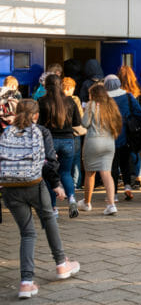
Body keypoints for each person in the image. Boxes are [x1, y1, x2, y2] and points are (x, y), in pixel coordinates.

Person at [0, 99, 81, 299]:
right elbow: (48, 162)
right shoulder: (41, 131)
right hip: (34, 185)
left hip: (10, 188)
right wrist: (56, 185)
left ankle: (26, 283)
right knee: (48, 220)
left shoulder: (7, 132)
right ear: (36, 115)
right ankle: (61, 264)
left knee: (27, 233)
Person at [38, 74, 82, 218]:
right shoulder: (70, 101)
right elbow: (77, 123)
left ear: (46, 86)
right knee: (65, 173)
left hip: (49, 141)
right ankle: (72, 199)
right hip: (68, 141)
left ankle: (53, 208)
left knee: (50, 175)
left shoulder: (42, 101)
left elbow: (39, 124)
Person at [80, 85, 121, 216]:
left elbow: (85, 124)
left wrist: (84, 111)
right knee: (107, 174)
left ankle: (87, 203)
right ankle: (111, 204)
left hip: (93, 142)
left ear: (93, 95)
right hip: (109, 142)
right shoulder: (111, 105)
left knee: (90, 173)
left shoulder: (92, 105)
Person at [104, 75, 141, 202]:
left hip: (109, 135)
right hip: (126, 134)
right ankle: (127, 187)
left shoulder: (104, 99)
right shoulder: (128, 96)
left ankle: (113, 194)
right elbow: (139, 113)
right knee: (126, 162)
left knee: (112, 165)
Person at [119, 66, 141, 190]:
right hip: (135, 128)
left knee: (121, 153)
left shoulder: (120, 94)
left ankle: (123, 178)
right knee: (135, 152)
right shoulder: (137, 92)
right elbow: (140, 113)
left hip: (123, 127)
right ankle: (138, 177)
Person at [61, 77, 85, 192]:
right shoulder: (75, 99)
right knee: (75, 159)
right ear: (69, 88)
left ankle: (62, 184)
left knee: (61, 160)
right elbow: (80, 117)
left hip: (59, 134)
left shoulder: (56, 99)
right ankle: (76, 184)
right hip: (74, 133)